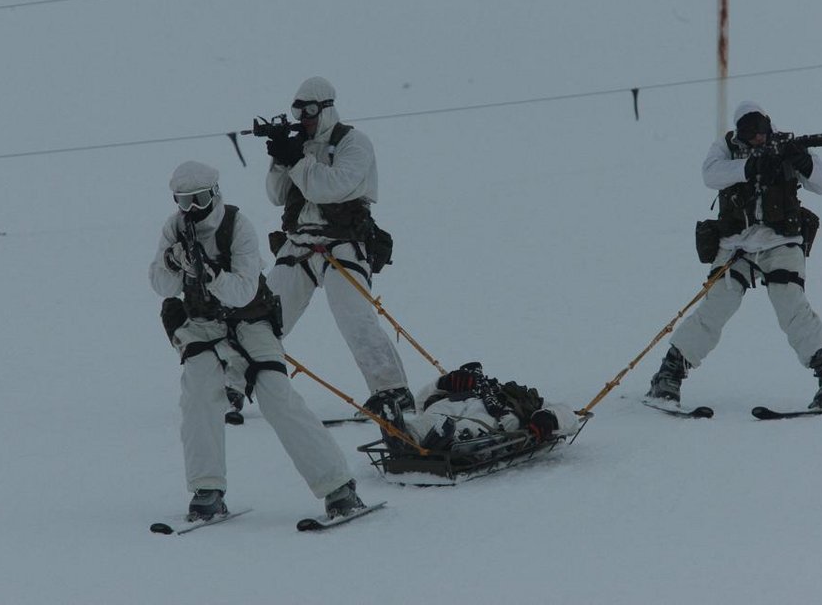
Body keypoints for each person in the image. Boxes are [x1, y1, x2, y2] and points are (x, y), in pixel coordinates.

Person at [149, 160, 365, 521]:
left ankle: (338, 485)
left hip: (249, 321)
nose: (192, 210)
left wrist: (211, 273)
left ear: (215, 194)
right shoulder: (173, 228)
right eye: (183, 201)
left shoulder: (237, 227)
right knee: (199, 396)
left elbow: (243, 291)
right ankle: (208, 490)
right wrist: (175, 263)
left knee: (276, 396)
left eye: (199, 199)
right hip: (201, 324)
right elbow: (162, 286)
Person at [646, 102, 822, 410]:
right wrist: (748, 168)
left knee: (792, 306)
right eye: (751, 135)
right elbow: (710, 175)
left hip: (781, 242)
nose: (759, 140)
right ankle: (669, 376)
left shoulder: (786, 145)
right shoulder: (725, 148)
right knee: (715, 308)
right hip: (736, 245)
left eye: (761, 133)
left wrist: (803, 161)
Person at [263, 76, 413, 416]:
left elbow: (329, 188)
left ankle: (391, 389)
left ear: (328, 109)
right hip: (299, 242)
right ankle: (236, 382)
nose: (305, 119)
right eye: (298, 112)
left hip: (343, 243)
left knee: (354, 317)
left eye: (311, 111)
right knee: (264, 317)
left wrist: (297, 160)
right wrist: (279, 160)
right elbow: (276, 196)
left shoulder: (353, 143)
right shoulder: (299, 144)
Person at [375, 361, 579, 454]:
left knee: (467, 428)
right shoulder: (454, 392)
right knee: (429, 419)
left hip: (488, 421)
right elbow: (421, 403)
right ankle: (403, 435)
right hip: (444, 409)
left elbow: (569, 415)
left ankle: (446, 439)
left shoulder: (520, 399)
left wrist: (549, 418)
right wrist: (443, 383)